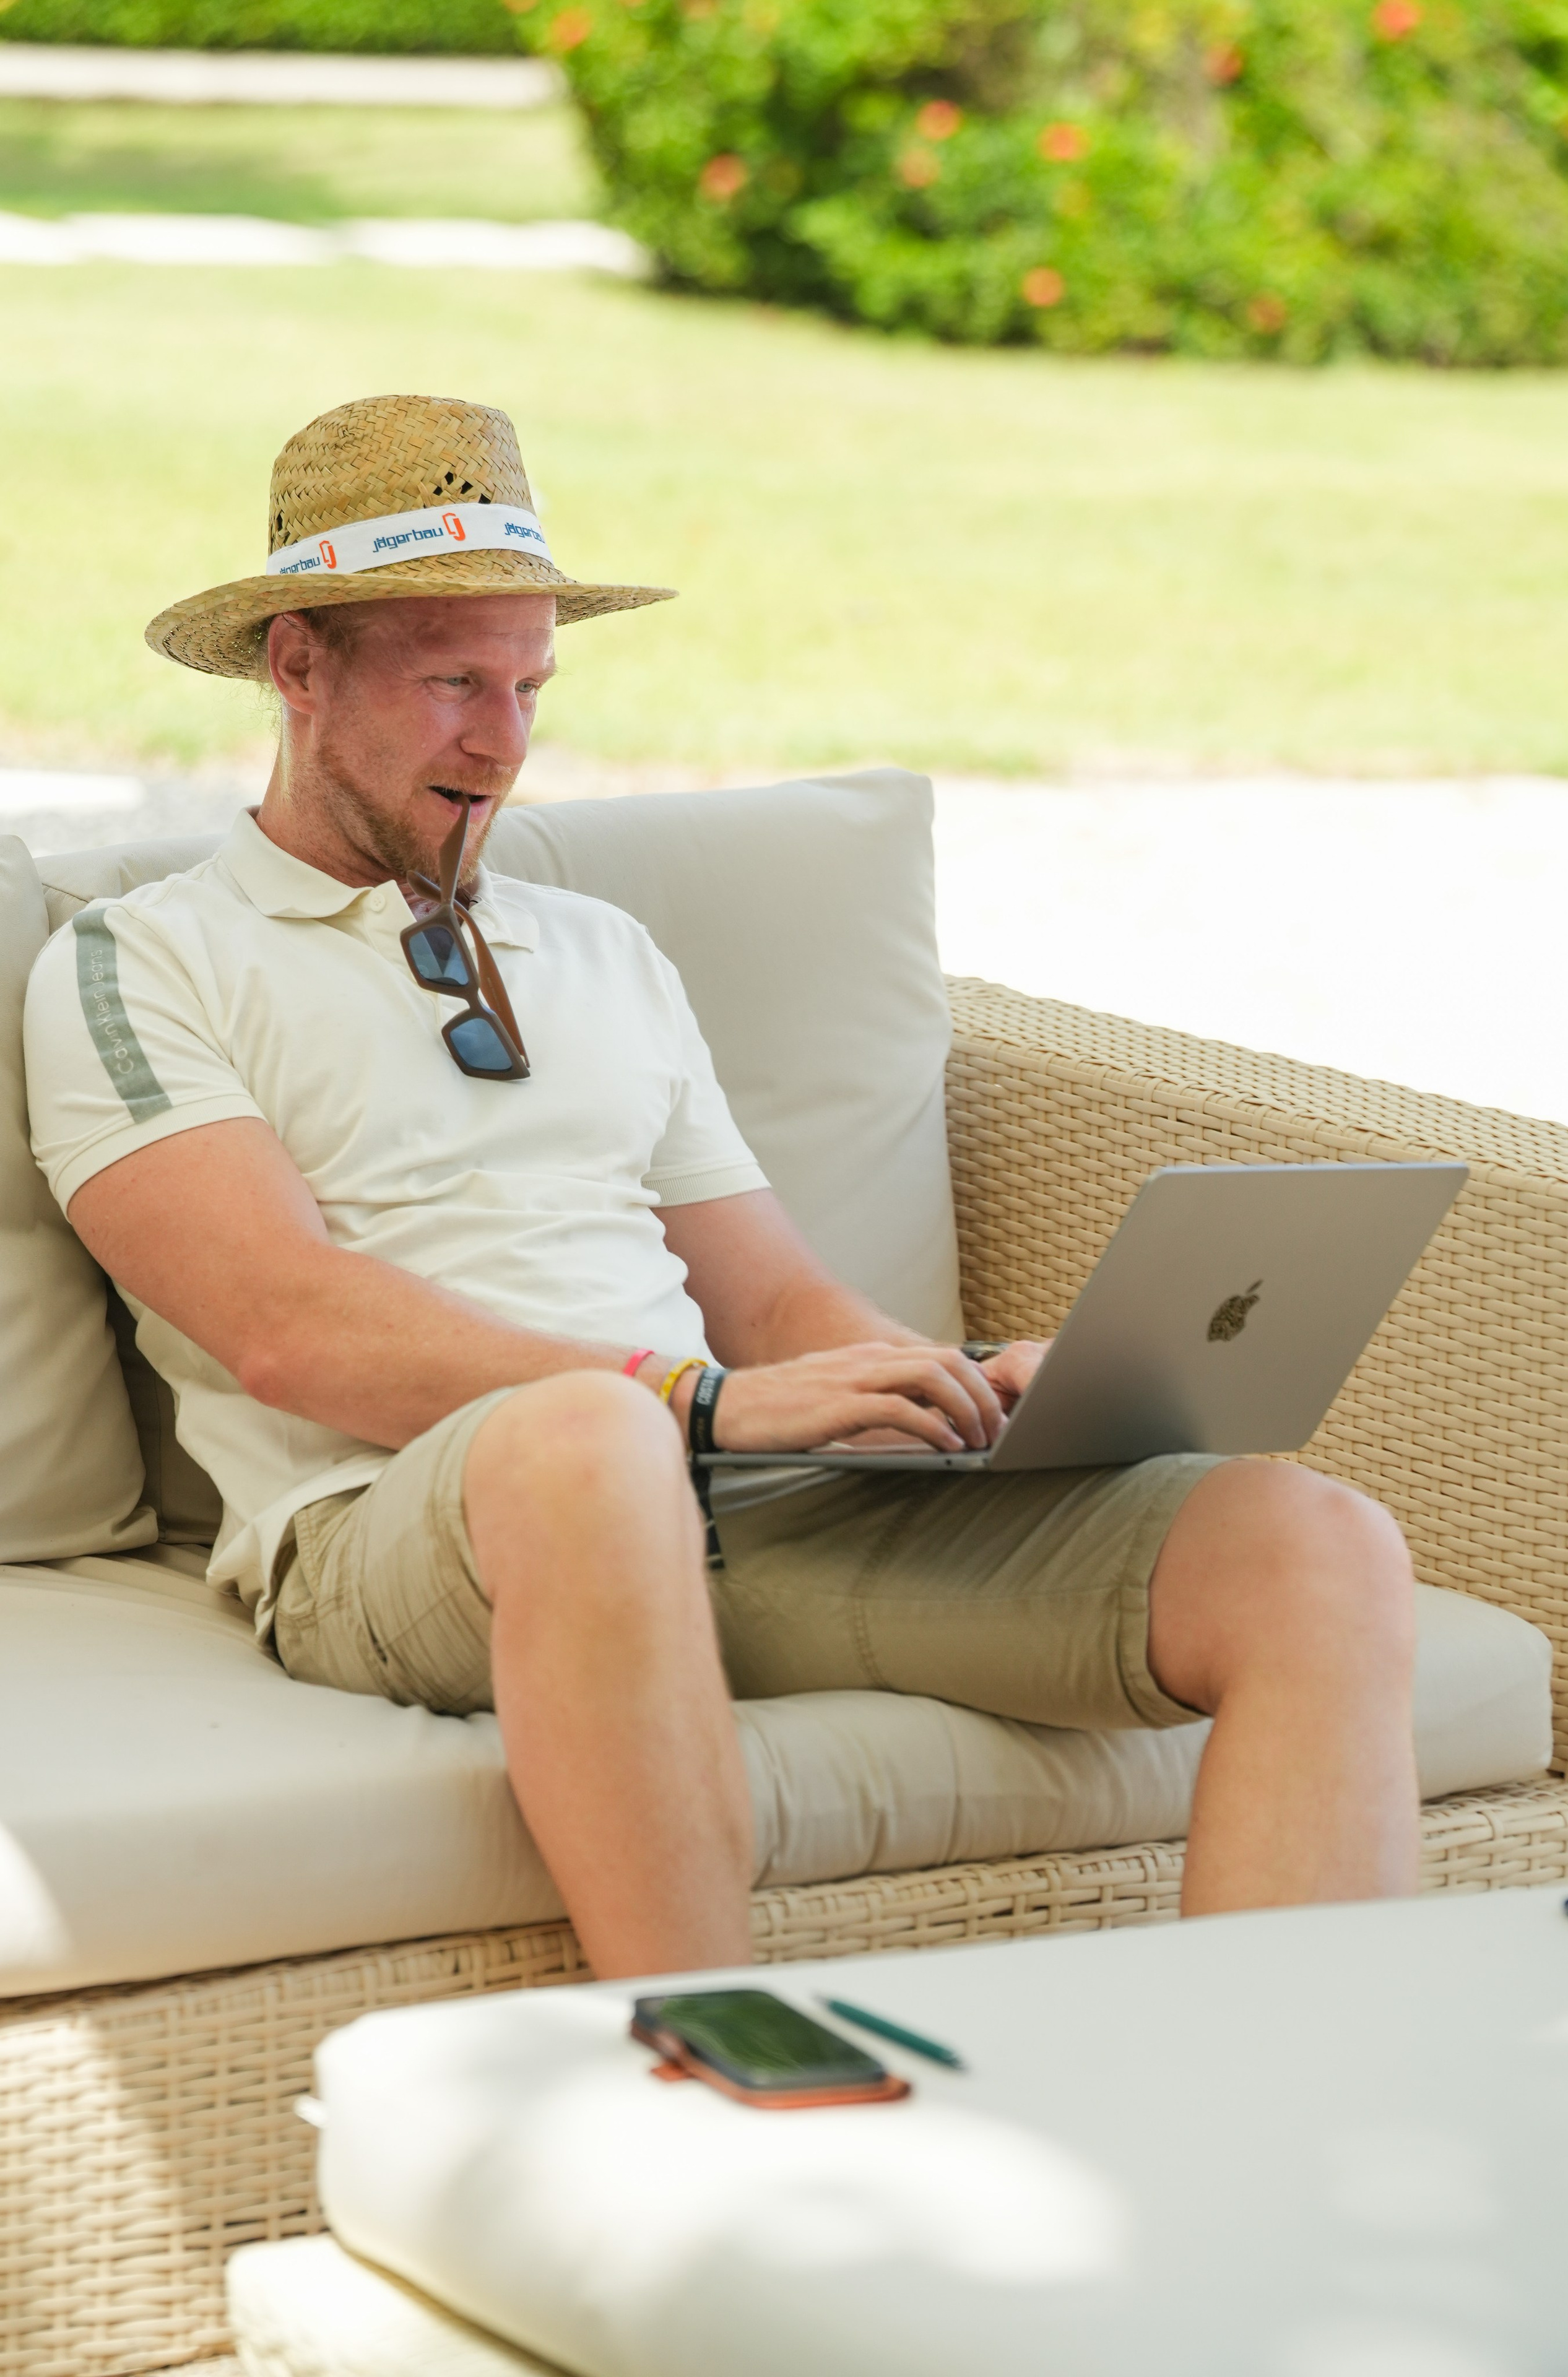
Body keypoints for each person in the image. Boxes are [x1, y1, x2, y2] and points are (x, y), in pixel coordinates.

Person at [24, 395, 1419, 1981]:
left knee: (1305, 1543)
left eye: (532, 684)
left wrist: (942, 1394)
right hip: (392, 1525)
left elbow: (766, 1297)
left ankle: (1294, 2112)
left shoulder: (602, 952)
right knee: (585, 1440)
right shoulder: (138, 961)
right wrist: (685, 1402)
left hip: (728, 1498)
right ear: (296, 667)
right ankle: (708, 2065)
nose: (504, 738)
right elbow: (284, 1326)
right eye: (453, 684)